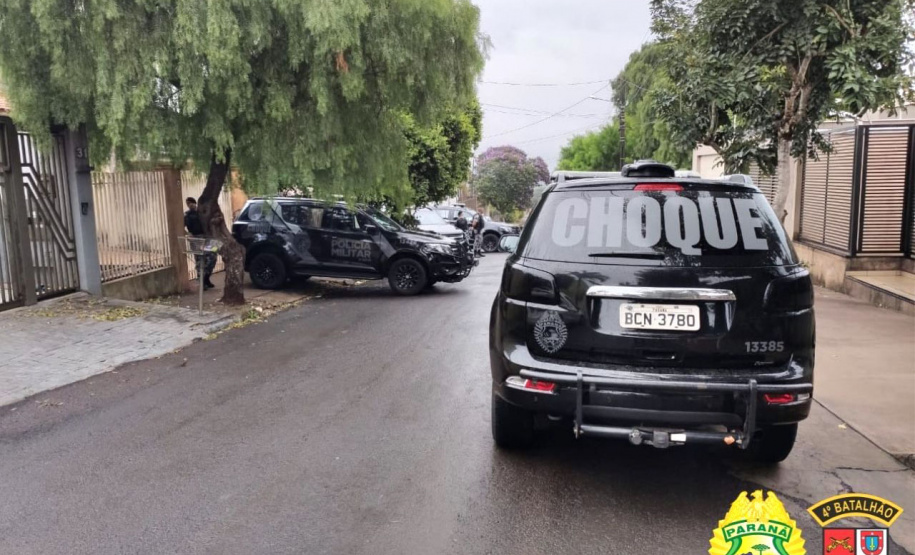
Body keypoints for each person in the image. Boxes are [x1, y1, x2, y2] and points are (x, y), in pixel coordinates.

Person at [184, 197, 217, 290]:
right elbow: (181, 226)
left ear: (195, 203)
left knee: (213, 257)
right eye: (188, 204)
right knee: (200, 260)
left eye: (191, 203)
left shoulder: (202, 213)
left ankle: (207, 278)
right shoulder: (187, 215)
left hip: (207, 238)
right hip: (196, 239)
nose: (190, 205)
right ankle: (201, 282)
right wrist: (188, 235)